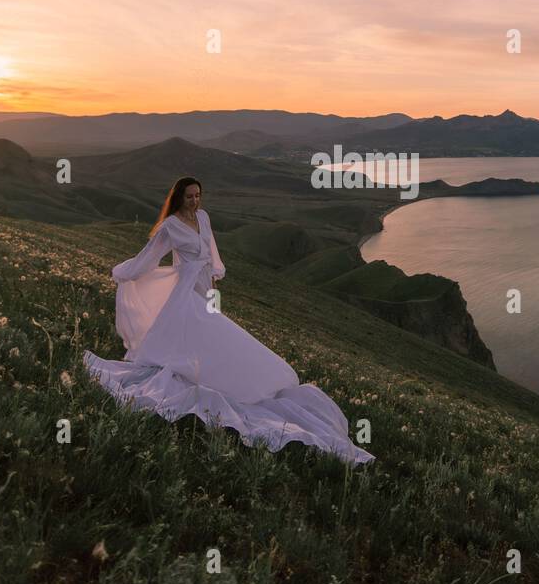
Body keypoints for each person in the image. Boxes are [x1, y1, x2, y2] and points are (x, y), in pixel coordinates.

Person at [83, 175, 375, 465]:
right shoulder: (169, 226)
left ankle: (220, 375)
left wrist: (215, 277)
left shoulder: (204, 218)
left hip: (206, 287)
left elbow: (211, 251)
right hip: (185, 290)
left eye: (198, 195)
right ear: (178, 199)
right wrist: (124, 272)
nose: (195, 201)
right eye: (189, 197)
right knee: (194, 333)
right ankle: (198, 376)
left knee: (215, 333)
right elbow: (149, 258)